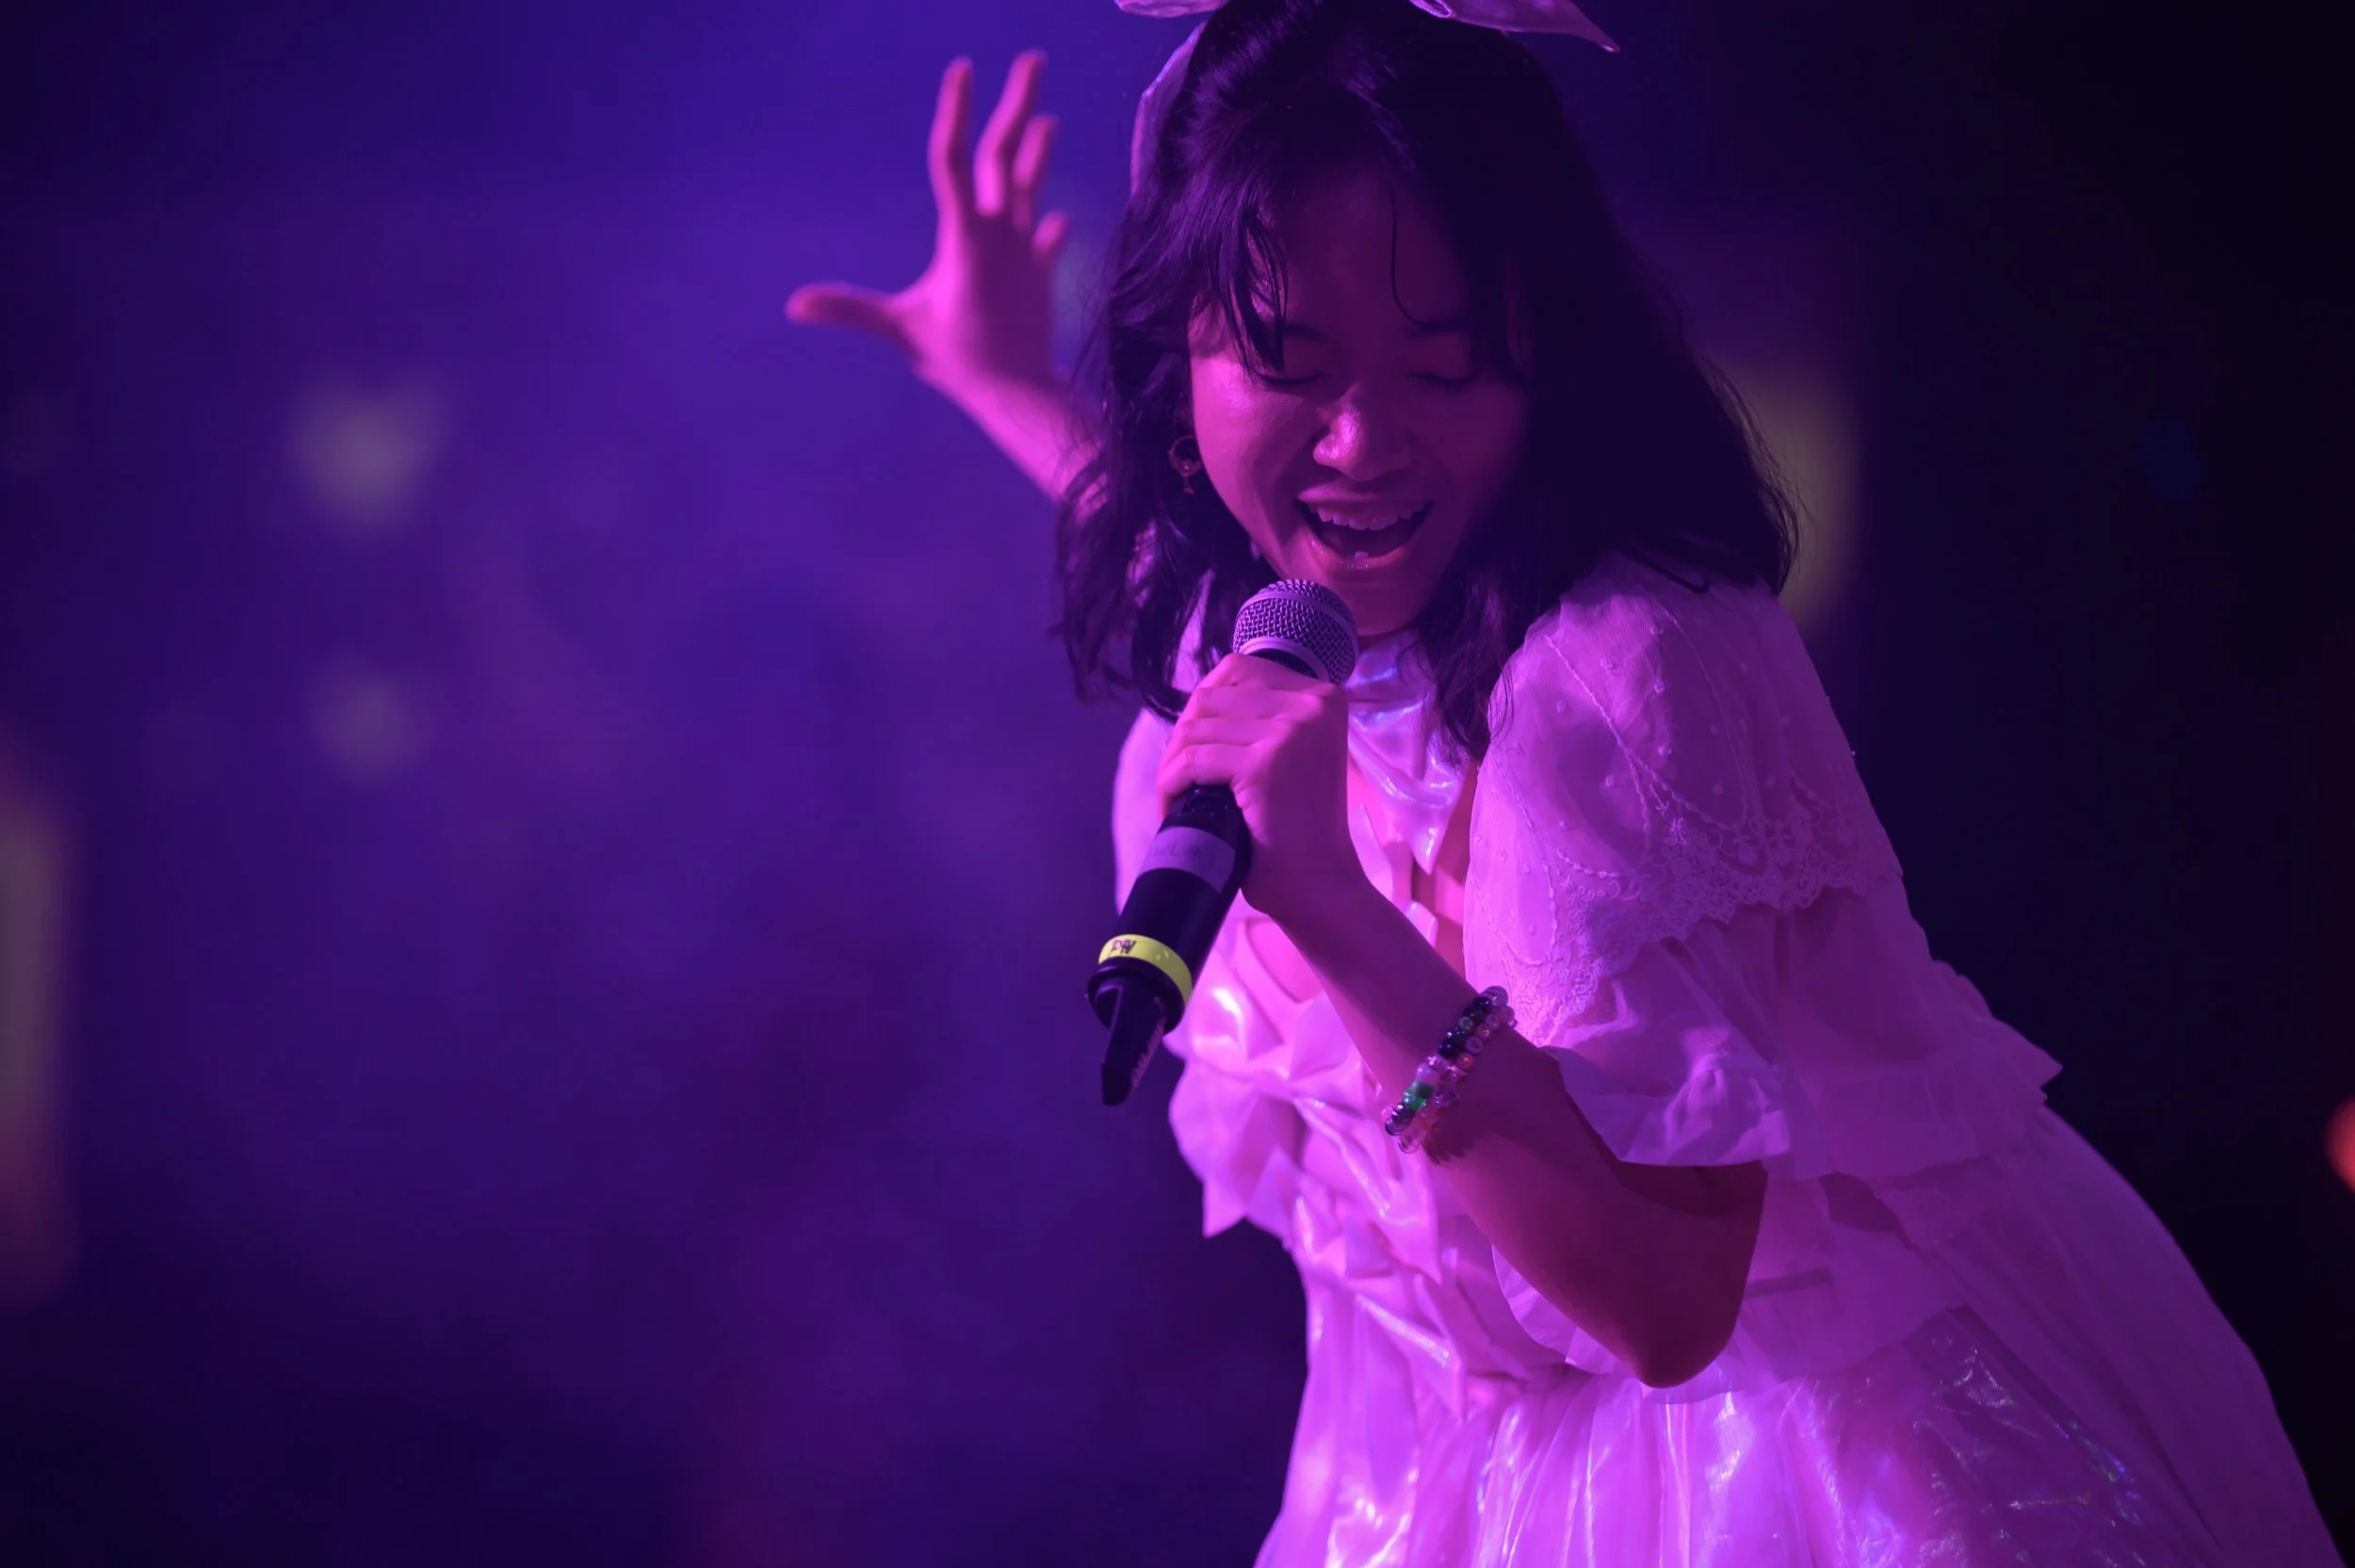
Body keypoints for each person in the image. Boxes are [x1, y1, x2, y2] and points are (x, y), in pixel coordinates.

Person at [789, 1, 2343, 1560]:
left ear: (1546, 357)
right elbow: (1152, 512)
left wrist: (1331, 906)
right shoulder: (1261, 621)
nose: (1362, 445)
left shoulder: (1624, 679)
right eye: (1289, 361)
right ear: (1179, 363)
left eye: (1446, 368)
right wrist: (994, 375)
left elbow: (1667, 1306)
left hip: (1794, 1464)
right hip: (1438, 1484)